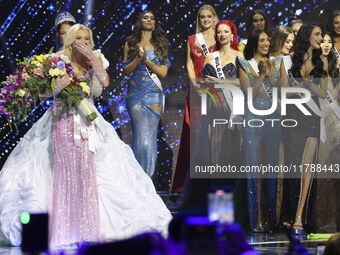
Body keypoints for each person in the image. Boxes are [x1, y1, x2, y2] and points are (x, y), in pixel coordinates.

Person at [0, 24, 172, 248]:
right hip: (62, 122)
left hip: (89, 123)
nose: (83, 42)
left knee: (88, 169)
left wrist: (94, 61)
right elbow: (42, 94)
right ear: (71, 41)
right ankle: (62, 230)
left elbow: (102, 87)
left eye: (87, 38)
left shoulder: (94, 59)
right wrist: (56, 88)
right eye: (78, 38)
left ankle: (87, 228)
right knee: (64, 171)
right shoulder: (57, 61)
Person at [280, 23, 328, 234]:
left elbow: (323, 93)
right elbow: (282, 93)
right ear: (307, 36)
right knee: (292, 165)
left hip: (311, 118)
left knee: (306, 166)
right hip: (292, 117)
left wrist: (311, 87)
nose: (321, 38)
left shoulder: (322, 61)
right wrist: (300, 87)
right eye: (317, 35)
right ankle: (290, 215)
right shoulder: (288, 61)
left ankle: (300, 216)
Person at [236, 29, 282, 232]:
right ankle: (257, 219)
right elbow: (249, 96)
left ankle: (271, 220)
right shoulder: (244, 64)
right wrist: (262, 75)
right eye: (262, 40)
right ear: (254, 43)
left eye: (268, 39)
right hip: (252, 120)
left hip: (273, 120)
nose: (266, 42)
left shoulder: (278, 62)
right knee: (254, 170)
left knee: (270, 168)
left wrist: (270, 76)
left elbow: (281, 93)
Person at [171, 4, 218, 193]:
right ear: (198, 19)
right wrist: (195, 84)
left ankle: (213, 181)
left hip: (216, 89)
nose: (205, 20)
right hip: (197, 90)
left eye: (209, 16)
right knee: (195, 133)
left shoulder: (221, 37)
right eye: (202, 17)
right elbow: (190, 64)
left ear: (214, 18)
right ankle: (192, 184)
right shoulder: (192, 39)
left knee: (215, 135)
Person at [123, 10, 170, 186]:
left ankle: (149, 185)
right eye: (145, 17)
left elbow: (163, 72)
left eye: (152, 18)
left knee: (150, 140)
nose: (149, 20)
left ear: (155, 23)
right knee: (139, 140)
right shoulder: (130, 42)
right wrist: (138, 58)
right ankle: (138, 185)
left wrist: (148, 61)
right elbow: (126, 70)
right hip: (135, 94)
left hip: (154, 94)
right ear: (140, 21)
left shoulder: (161, 44)